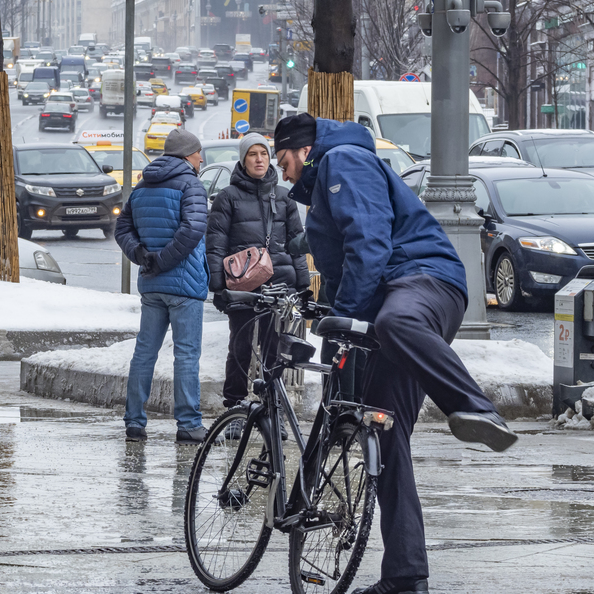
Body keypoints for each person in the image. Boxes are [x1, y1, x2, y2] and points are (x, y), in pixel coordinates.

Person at [273, 112, 518, 594]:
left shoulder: (344, 159)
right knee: (382, 432)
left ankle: (474, 407)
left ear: (304, 150)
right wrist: (336, 332)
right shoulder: (320, 194)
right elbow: (344, 274)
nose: (282, 172)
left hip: (424, 281)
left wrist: (344, 319)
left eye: (283, 159)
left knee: (395, 322)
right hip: (387, 296)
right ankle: (406, 577)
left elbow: (369, 245)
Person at [114, 128, 210, 445]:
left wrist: (142, 255)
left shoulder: (142, 186)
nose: (200, 158)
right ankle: (189, 424)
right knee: (185, 356)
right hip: (184, 286)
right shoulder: (191, 185)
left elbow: (122, 228)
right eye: (198, 153)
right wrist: (165, 260)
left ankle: (134, 423)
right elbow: (193, 229)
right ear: (187, 155)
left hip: (152, 284)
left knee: (144, 353)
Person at [206, 132, 309, 407]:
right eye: (253, 154)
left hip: (278, 284)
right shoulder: (227, 198)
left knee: (273, 350)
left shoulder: (284, 197)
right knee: (239, 348)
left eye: (263, 153)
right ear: (243, 160)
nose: (259, 159)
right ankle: (235, 406)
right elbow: (215, 244)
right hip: (242, 287)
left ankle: (271, 407)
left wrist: (303, 284)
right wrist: (218, 287)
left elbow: (296, 242)